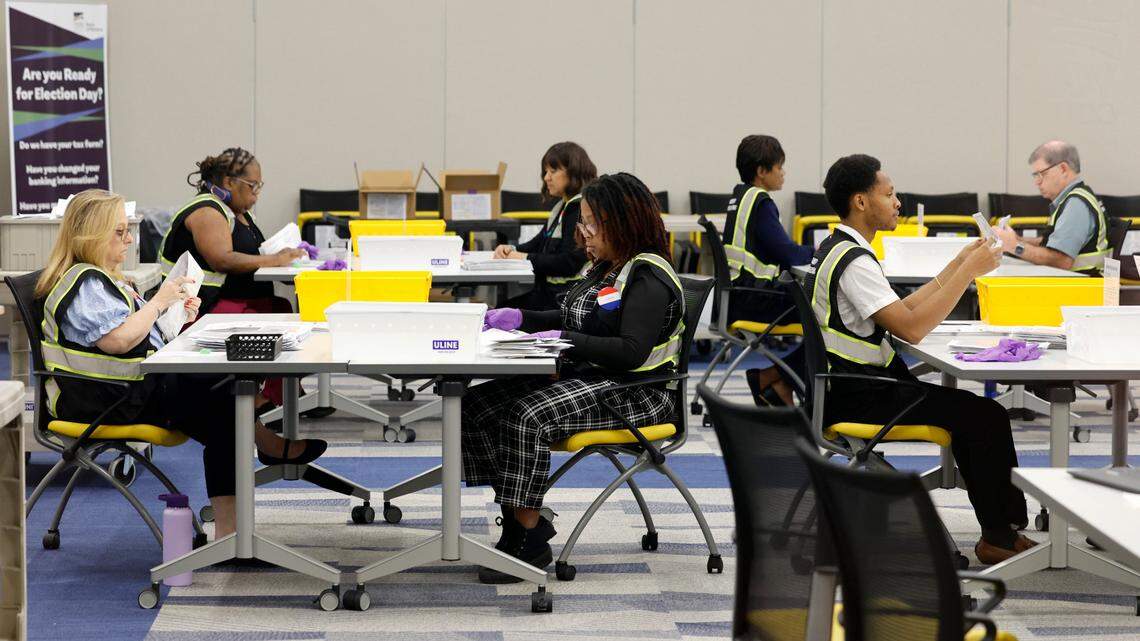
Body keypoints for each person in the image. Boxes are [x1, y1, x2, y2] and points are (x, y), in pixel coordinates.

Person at [36, 189, 326, 541]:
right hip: (106, 400)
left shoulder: (102, 278)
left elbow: (137, 337)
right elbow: (118, 341)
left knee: (228, 399)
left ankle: (232, 529)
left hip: (127, 390)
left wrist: (177, 316)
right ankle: (238, 516)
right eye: (120, 232)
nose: (129, 240)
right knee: (225, 397)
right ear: (90, 235)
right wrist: (158, 303)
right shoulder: (84, 283)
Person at [810, 154, 1033, 565]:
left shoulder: (838, 248)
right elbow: (911, 329)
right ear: (861, 202)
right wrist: (967, 276)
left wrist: (959, 265)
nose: (898, 202)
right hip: (861, 394)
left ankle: (1001, 530)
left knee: (973, 415)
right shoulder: (855, 262)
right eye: (889, 193)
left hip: (847, 386)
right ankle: (1000, 534)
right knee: (984, 417)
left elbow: (901, 312)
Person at [469, 173, 685, 583]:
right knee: (478, 407)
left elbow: (630, 351)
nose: (582, 234)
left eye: (590, 224)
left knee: (527, 415)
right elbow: (570, 316)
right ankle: (520, 517)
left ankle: (527, 538)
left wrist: (565, 340)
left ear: (621, 222)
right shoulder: (608, 266)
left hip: (638, 392)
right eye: (582, 222)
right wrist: (522, 321)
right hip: (598, 381)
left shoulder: (647, 274)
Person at [158, 147, 307, 416]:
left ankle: (274, 397)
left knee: (283, 311)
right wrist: (276, 260)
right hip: (199, 311)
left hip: (230, 303)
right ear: (229, 182)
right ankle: (264, 402)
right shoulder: (207, 210)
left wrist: (282, 254)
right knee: (277, 323)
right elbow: (222, 260)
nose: (256, 194)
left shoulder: (236, 212)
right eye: (253, 186)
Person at [722, 135, 814, 407]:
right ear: (762, 172)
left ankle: (778, 380)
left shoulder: (740, 197)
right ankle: (775, 377)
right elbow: (786, 253)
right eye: (779, 167)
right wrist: (821, 251)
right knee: (828, 314)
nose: (783, 173)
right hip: (753, 299)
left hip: (738, 298)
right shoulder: (760, 202)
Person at [492, 142, 595, 310]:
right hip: (550, 293)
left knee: (500, 312)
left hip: (565, 298)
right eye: (546, 171)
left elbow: (568, 264)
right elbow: (538, 243)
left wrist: (522, 257)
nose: (546, 177)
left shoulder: (580, 209)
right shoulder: (562, 206)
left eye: (553, 171)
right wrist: (510, 249)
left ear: (574, 172)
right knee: (500, 310)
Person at [993, 140, 1109, 274]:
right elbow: (1054, 243)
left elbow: (1061, 261)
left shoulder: (1076, 204)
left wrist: (1015, 246)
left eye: (1042, 174)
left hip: (1080, 289)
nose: (1037, 182)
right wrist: (1018, 240)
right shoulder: (1074, 198)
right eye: (1035, 175)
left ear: (1063, 169)